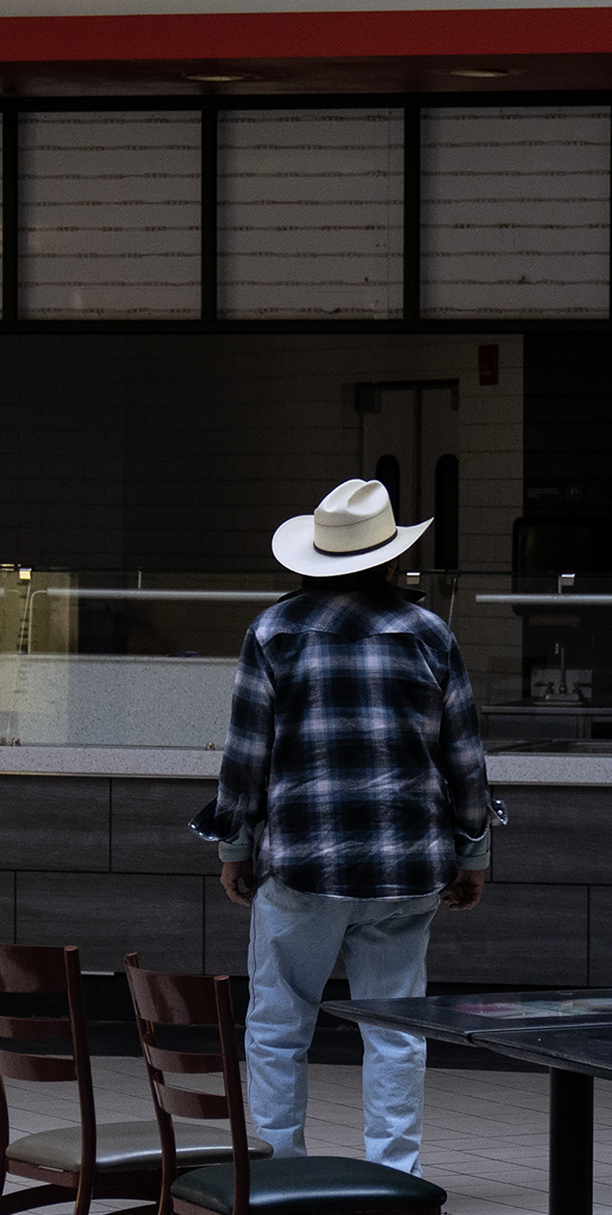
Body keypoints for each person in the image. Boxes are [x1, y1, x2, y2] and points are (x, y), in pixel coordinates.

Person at [192, 480, 496, 1172]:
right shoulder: (429, 634)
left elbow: (246, 758)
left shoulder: (274, 632)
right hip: (406, 869)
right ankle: (393, 1175)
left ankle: (280, 1170)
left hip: (302, 866)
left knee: (277, 1026)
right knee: (395, 1030)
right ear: (391, 559)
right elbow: (465, 759)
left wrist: (234, 846)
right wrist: (472, 852)